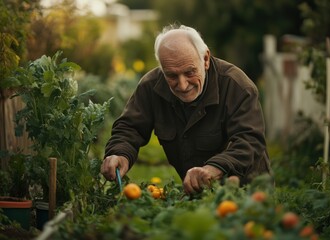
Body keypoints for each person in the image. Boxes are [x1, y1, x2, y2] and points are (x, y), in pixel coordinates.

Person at [101, 24, 272, 194]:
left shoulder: (237, 87)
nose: (182, 85)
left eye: (190, 72)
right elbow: (130, 127)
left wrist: (213, 169)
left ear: (205, 59)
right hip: (196, 192)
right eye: (172, 75)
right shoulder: (151, 86)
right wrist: (119, 153)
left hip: (249, 191)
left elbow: (249, 140)